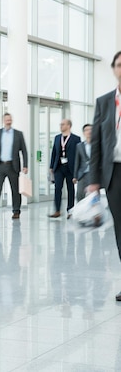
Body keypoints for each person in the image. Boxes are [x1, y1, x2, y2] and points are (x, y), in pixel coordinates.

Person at [89, 50, 121, 301]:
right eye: (119, 65)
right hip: (114, 174)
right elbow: (97, 144)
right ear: (113, 69)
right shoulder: (104, 102)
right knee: (120, 230)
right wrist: (94, 179)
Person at [0, 113, 28, 220]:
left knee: (15, 189)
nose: (8, 121)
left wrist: (25, 165)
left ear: (12, 120)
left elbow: (24, 150)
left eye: (9, 120)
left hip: (12, 166)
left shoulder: (18, 134)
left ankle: (16, 211)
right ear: (3, 121)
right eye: (6, 120)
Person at [49, 119, 81, 218]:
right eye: (60, 124)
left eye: (63, 124)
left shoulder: (76, 139)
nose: (61, 126)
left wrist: (77, 170)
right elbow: (54, 152)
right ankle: (57, 210)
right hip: (59, 167)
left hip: (70, 168)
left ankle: (70, 210)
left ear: (69, 126)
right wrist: (51, 166)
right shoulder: (57, 138)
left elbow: (78, 155)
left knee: (70, 189)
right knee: (57, 188)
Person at [73, 124, 92, 202]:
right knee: (80, 194)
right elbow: (77, 161)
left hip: (94, 173)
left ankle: (93, 213)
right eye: (87, 130)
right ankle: (81, 212)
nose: (89, 131)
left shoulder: (98, 144)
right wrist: (75, 176)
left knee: (92, 195)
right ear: (84, 133)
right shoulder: (79, 146)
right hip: (82, 173)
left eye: (91, 129)